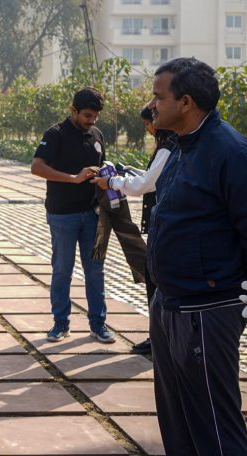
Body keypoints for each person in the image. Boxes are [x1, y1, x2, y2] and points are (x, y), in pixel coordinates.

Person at [146, 57, 247, 456]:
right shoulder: (181, 147)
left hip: (207, 309)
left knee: (213, 422)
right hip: (169, 302)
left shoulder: (231, 154)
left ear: (185, 102)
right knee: (178, 418)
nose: (152, 105)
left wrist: (222, 289)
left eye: (159, 97)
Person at [31, 87, 114, 344]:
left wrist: (106, 175)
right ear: (73, 110)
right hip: (63, 215)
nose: (92, 120)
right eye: (87, 115)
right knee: (62, 270)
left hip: (94, 215)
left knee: (96, 270)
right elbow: (37, 167)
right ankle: (60, 323)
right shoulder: (55, 134)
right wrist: (73, 178)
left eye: (96, 116)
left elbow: (102, 164)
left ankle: (98, 324)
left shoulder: (97, 135)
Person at [93, 105, 177, 355]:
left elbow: (145, 185)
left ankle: (160, 339)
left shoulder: (168, 146)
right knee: (155, 279)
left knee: (156, 281)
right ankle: (160, 337)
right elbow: (151, 178)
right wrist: (127, 172)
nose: (148, 128)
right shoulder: (172, 145)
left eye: (148, 123)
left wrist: (112, 181)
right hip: (166, 223)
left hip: (165, 225)